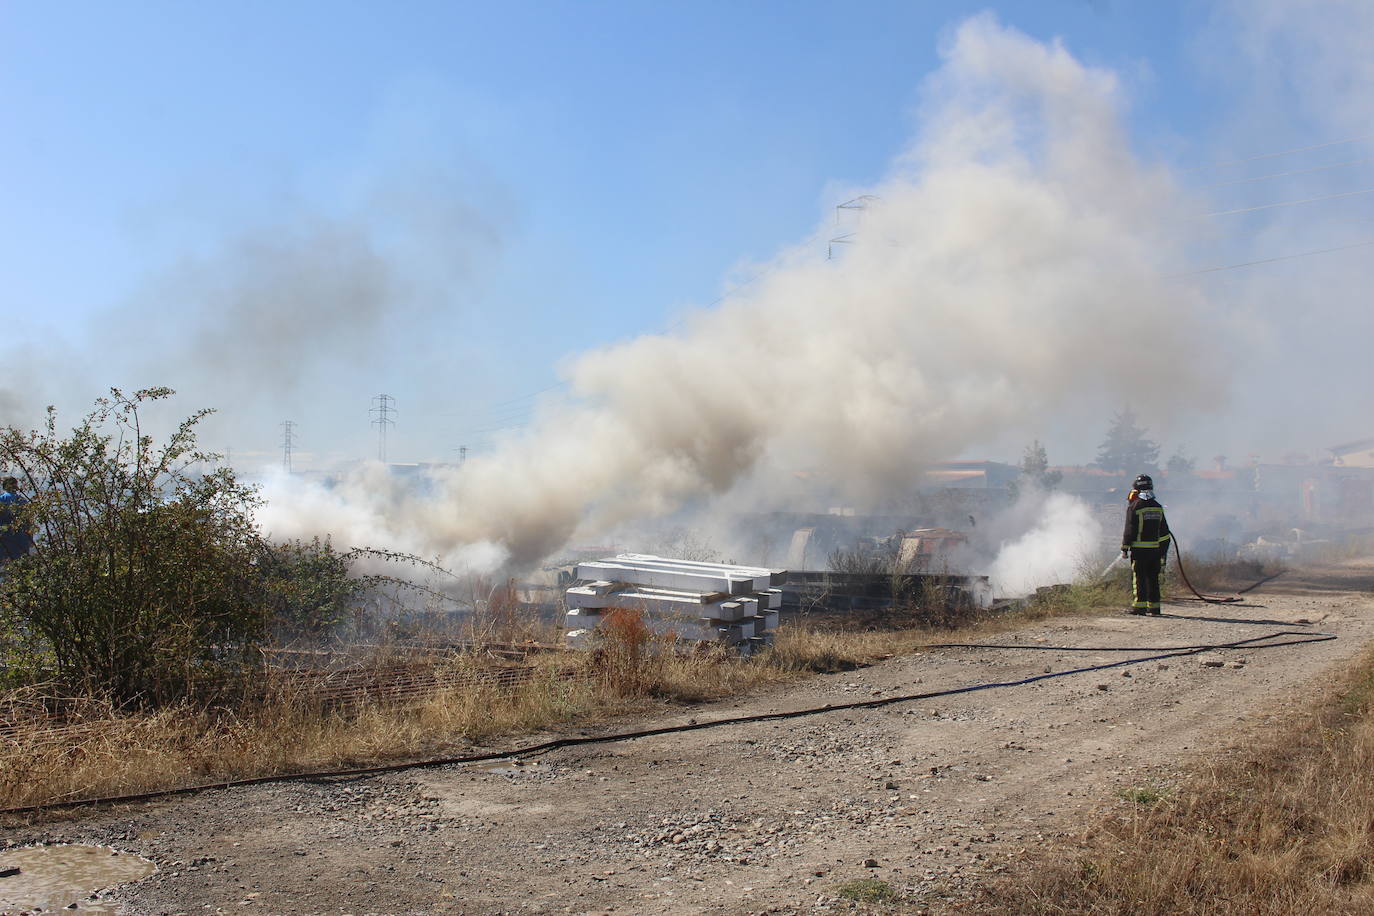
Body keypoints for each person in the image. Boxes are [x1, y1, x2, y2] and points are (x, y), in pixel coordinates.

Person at [1121, 473, 1170, 616]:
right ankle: (1155, 608)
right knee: (1153, 579)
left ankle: (1139, 607)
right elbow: (1164, 533)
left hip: (1139, 550)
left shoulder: (1135, 507)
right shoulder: (1158, 507)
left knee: (1139, 578)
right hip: (1155, 551)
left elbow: (1129, 529)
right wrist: (1162, 552)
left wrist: (1125, 548)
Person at [0, 475, 34, 563]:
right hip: (22, 540)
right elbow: (29, 522)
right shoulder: (23, 500)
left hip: (5, 540)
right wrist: (30, 539)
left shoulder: (2, 499)